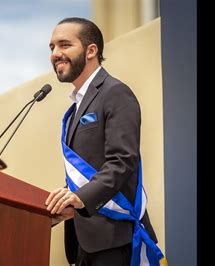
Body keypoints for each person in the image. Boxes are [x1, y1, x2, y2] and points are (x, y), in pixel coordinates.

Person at [44, 17, 165, 265]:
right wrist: (64, 202)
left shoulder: (114, 93)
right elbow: (86, 170)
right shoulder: (76, 107)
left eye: (64, 45)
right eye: (52, 47)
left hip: (114, 240)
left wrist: (81, 198)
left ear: (91, 50)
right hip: (82, 243)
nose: (56, 54)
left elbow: (122, 161)